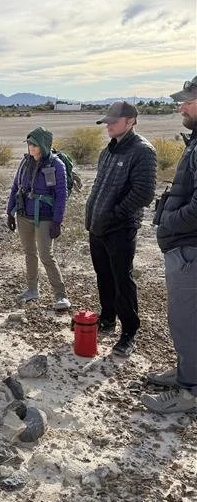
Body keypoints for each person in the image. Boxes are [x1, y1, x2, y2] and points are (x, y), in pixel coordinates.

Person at [142, 76, 197, 414]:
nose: (181, 106)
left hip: (189, 248)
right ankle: (186, 374)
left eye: (188, 100)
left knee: (187, 319)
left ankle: (189, 392)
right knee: (185, 318)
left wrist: (169, 224)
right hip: (186, 247)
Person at [85, 101, 157, 357]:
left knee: (121, 279)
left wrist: (114, 215)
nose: (109, 126)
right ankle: (107, 318)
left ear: (131, 121)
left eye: (113, 122)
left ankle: (129, 332)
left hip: (120, 229)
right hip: (98, 227)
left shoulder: (142, 151)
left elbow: (144, 193)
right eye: (107, 121)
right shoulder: (108, 151)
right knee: (103, 275)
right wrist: (91, 216)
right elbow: (98, 187)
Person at [7, 126, 71, 311]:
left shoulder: (56, 165)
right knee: (29, 253)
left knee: (46, 255)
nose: (30, 147)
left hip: (45, 217)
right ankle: (32, 289)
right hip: (24, 214)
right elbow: (15, 187)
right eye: (29, 144)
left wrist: (57, 221)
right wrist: (9, 212)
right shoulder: (25, 163)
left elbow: (61, 195)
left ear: (43, 145)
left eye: (34, 144)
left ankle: (61, 295)